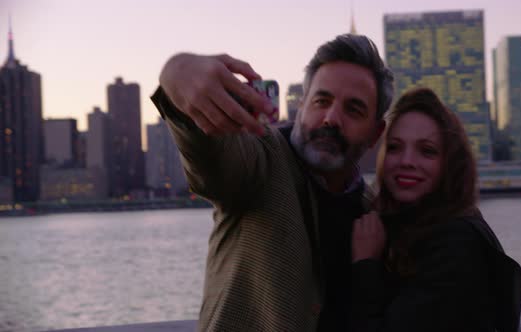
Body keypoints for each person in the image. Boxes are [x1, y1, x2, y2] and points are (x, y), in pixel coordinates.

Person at [150, 34, 394, 331]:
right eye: (322, 101)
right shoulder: (262, 160)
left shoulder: (373, 216)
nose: (331, 118)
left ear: (375, 133)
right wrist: (179, 72)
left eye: (353, 109)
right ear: (302, 105)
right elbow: (211, 160)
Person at [350, 87, 521, 332]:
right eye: (394, 147)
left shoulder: (456, 244)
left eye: (427, 151)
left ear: (450, 164)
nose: (407, 161)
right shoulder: (408, 225)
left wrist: (365, 265)